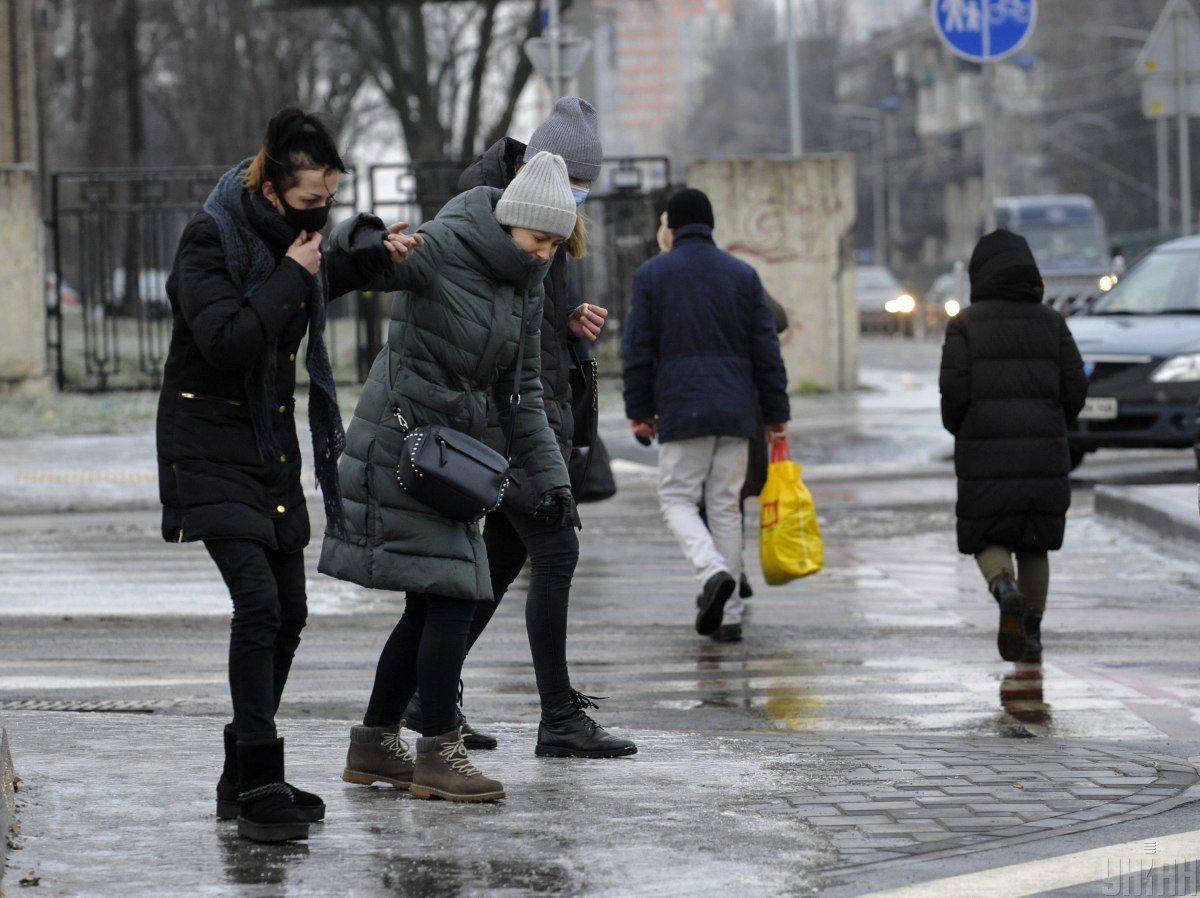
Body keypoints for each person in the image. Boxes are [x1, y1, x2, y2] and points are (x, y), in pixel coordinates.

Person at [156, 107, 418, 843]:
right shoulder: (209, 239)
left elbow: (324, 274)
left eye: (328, 200)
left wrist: (379, 257)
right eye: (310, 202)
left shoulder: (293, 242)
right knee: (261, 608)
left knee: (291, 613)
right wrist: (290, 274)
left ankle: (241, 778)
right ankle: (261, 777)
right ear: (270, 189)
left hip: (267, 450)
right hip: (205, 447)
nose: (321, 214)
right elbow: (229, 339)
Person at [320, 151, 580, 803]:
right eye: (539, 238)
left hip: (453, 457)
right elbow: (373, 264)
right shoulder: (446, 243)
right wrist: (371, 238)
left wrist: (551, 482)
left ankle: (375, 741)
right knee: (455, 595)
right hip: (403, 445)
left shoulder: (527, 280)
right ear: (511, 221)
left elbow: (520, 390)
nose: (547, 253)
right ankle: (438, 751)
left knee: (434, 598)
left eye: (556, 243)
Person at [394, 97, 633, 760]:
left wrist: (569, 319)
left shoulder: (546, 215)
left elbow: (528, 318)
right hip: (508, 418)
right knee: (556, 551)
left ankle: (427, 698)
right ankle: (557, 715)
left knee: (500, 560)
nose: (580, 196)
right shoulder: (493, 207)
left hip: (531, 409)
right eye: (577, 181)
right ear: (544, 166)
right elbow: (479, 321)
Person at [621, 188, 790, 643]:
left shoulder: (653, 275)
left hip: (682, 407)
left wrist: (639, 411)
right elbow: (766, 350)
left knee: (676, 498)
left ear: (671, 228)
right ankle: (730, 617)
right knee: (724, 507)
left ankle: (712, 571)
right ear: (711, 226)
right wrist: (775, 413)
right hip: (737, 413)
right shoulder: (743, 274)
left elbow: (637, 350)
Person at [939, 229, 1087, 664]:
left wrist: (962, 430)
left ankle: (1005, 590)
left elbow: (954, 392)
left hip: (984, 449)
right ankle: (1033, 633)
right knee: (1036, 544)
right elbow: (1075, 386)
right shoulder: (1052, 322)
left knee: (986, 535)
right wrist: (1056, 423)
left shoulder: (964, 324)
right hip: (1044, 451)